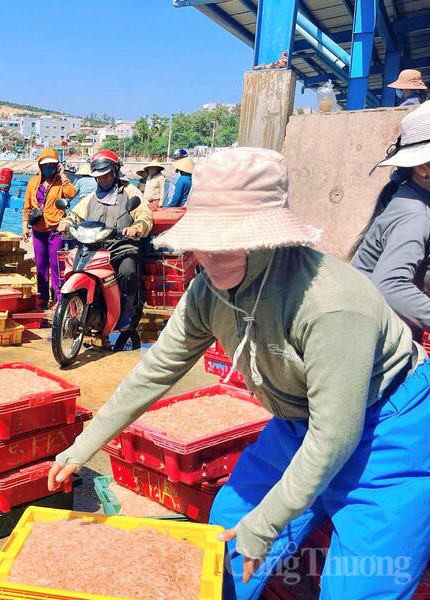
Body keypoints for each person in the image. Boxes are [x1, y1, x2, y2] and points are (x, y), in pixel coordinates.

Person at [49, 147, 430, 599]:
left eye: (235, 237)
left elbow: (335, 437)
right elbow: (155, 371)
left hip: (389, 430)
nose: (213, 254)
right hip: (296, 424)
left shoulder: (332, 304)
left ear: (271, 235)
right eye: (205, 238)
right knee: (228, 533)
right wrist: (83, 446)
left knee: (362, 585)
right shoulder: (206, 290)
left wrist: (267, 524)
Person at [352, 101, 430, 340]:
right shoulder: (414, 215)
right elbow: (390, 286)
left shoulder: (411, 196)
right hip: (370, 338)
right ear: (423, 166)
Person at [57, 150, 152, 337]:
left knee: (127, 272)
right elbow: (75, 214)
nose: (102, 179)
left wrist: (137, 228)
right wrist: (66, 223)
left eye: (106, 174)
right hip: (94, 248)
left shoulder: (130, 192)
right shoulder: (92, 197)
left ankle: (127, 316)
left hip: (121, 247)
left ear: (115, 171)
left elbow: (144, 216)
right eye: (99, 176)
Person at [22, 148, 76, 308]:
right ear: (39, 166)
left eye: (52, 165)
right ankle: (43, 298)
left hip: (55, 230)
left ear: (57, 165)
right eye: (45, 165)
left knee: (57, 265)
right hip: (38, 230)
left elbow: (71, 193)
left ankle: (59, 299)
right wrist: (24, 225)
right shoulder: (33, 183)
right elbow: (27, 206)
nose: (48, 168)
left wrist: (63, 175)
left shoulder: (60, 182)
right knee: (41, 265)